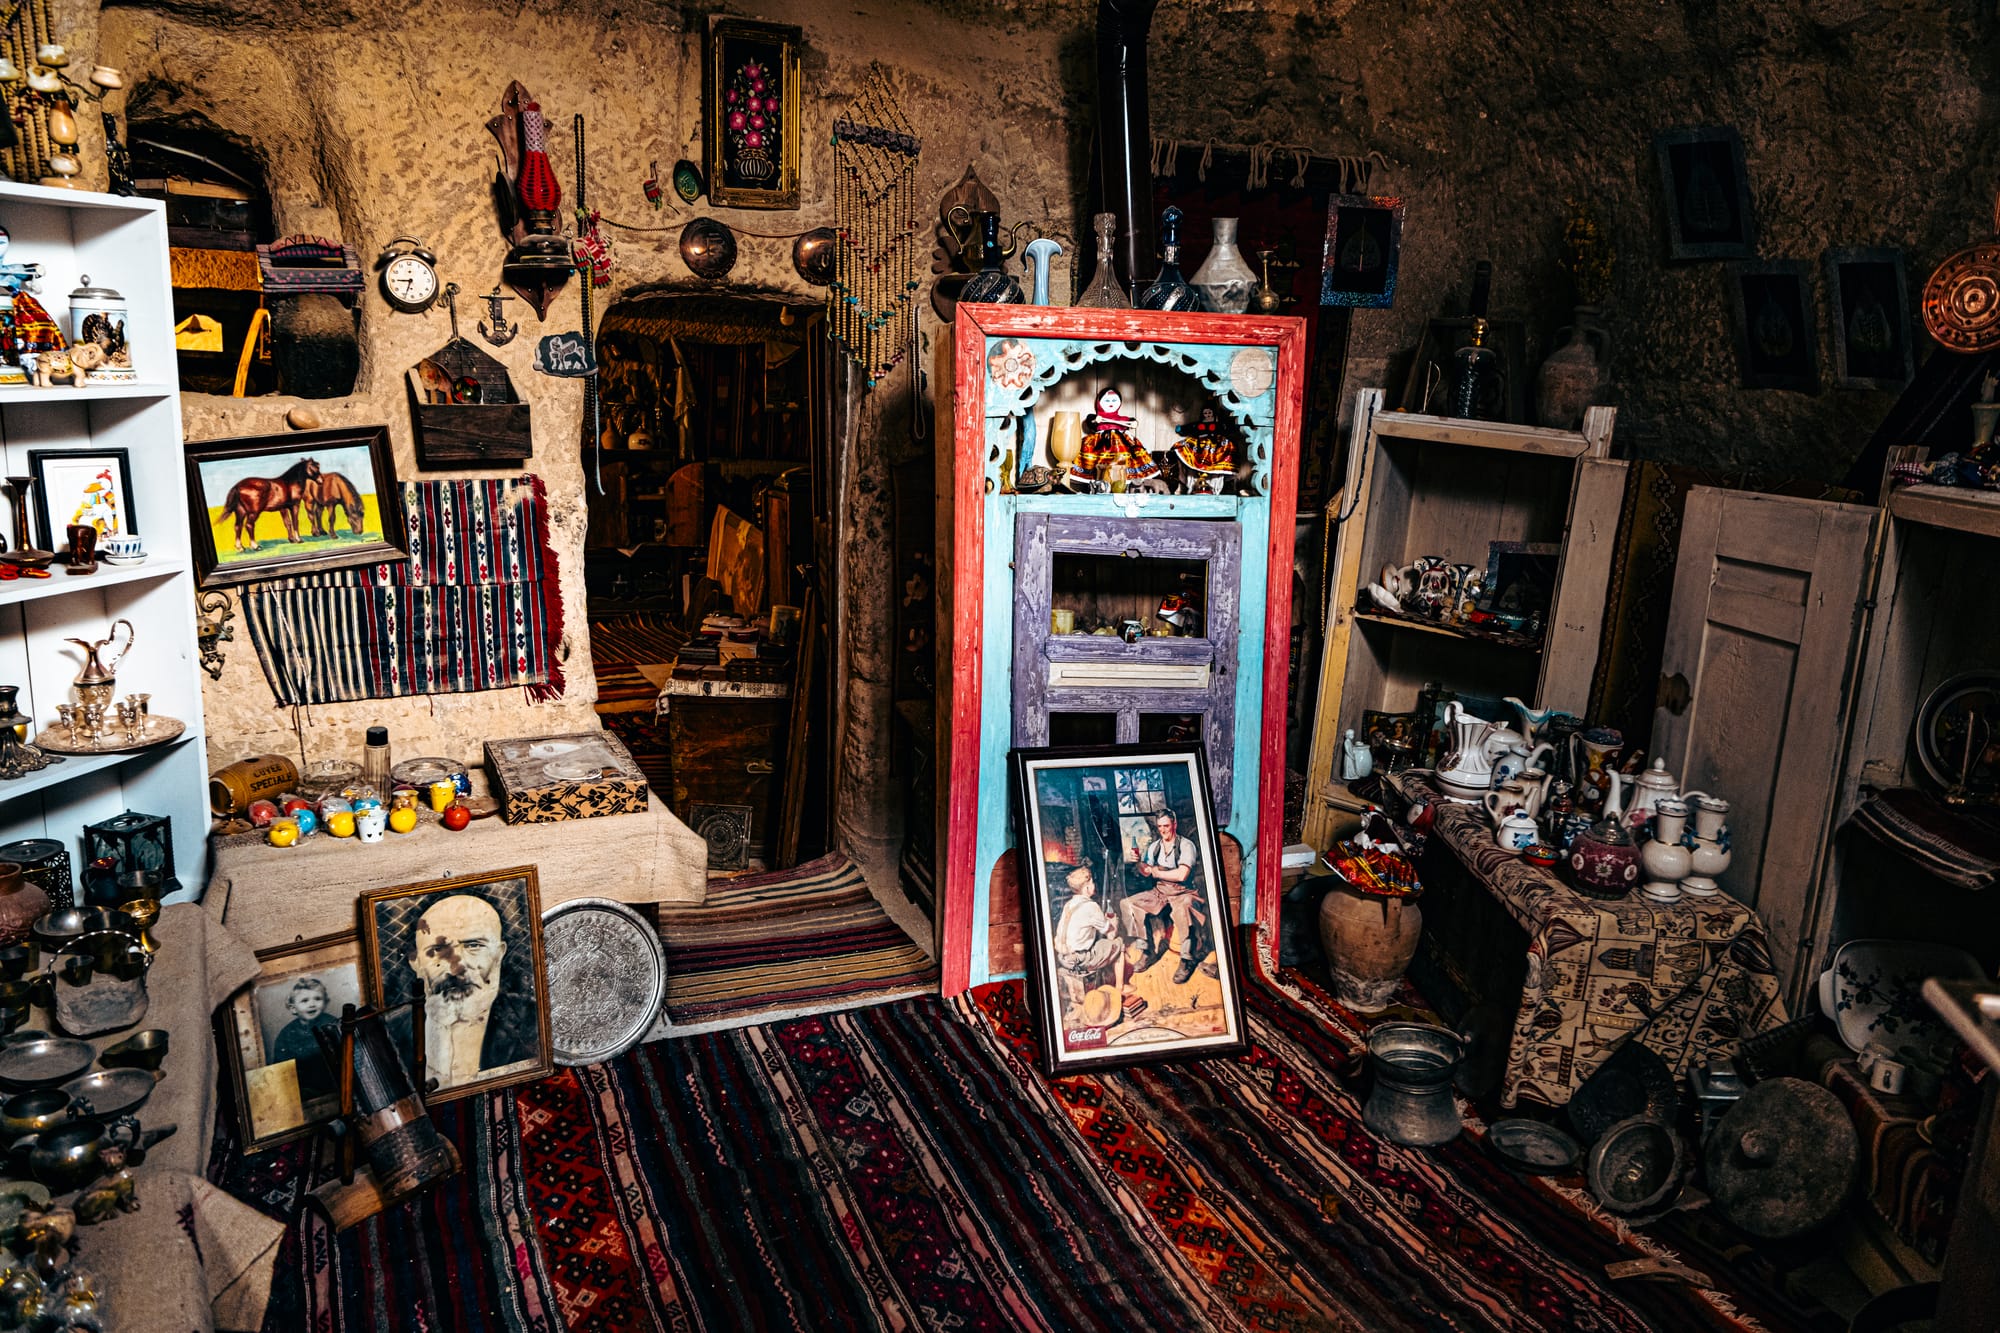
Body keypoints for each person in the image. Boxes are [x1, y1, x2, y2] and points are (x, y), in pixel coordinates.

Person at [388, 893, 540, 1092]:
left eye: (474, 945)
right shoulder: (390, 1034)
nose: (456, 967)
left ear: (499, 953)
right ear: (416, 963)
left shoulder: (533, 1018)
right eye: (438, 949)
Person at [1119, 809, 1210, 985]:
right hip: (1161, 891)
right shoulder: (1154, 847)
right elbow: (1146, 873)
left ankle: (1187, 959)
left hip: (1184, 891)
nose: (1163, 830)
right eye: (1160, 826)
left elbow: (1182, 875)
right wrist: (1139, 863)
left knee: (1184, 909)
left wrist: (1155, 872)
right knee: (1128, 904)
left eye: (1166, 826)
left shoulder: (1186, 845)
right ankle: (1147, 951)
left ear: (1174, 825)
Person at [1054, 864, 1145, 1023]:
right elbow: (1111, 935)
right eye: (1093, 883)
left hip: (1063, 958)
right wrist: (1113, 921)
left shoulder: (1069, 904)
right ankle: (1120, 986)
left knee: (1101, 945)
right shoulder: (1091, 906)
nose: (1094, 885)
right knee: (1118, 944)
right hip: (1080, 959)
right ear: (1087, 887)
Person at [269, 976, 342, 1104]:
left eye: (317, 999)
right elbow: (281, 1068)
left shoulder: (331, 1024)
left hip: (333, 1081)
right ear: (293, 1008)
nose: (312, 1004)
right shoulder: (287, 1034)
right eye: (305, 1000)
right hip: (305, 1086)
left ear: (325, 1002)